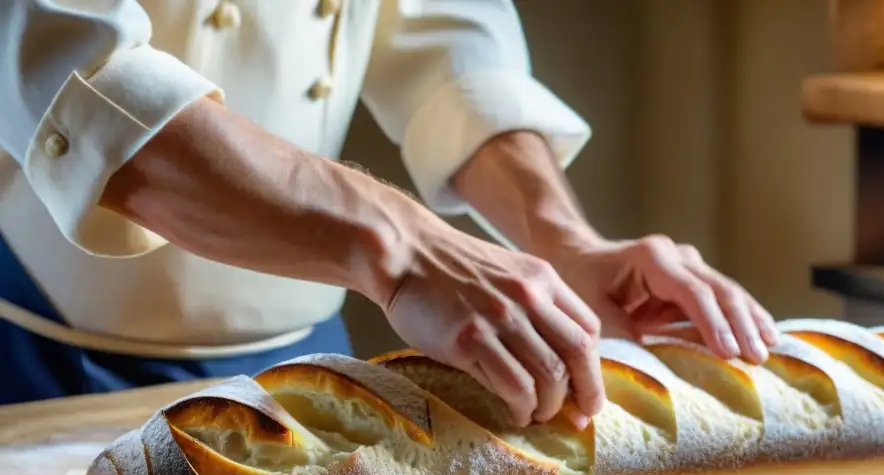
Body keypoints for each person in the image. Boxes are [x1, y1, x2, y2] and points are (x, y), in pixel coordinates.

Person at [0, 0, 778, 429]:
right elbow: (88, 85)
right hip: (41, 373)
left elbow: (445, 42)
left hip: (303, 364)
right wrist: (406, 249)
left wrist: (563, 241)